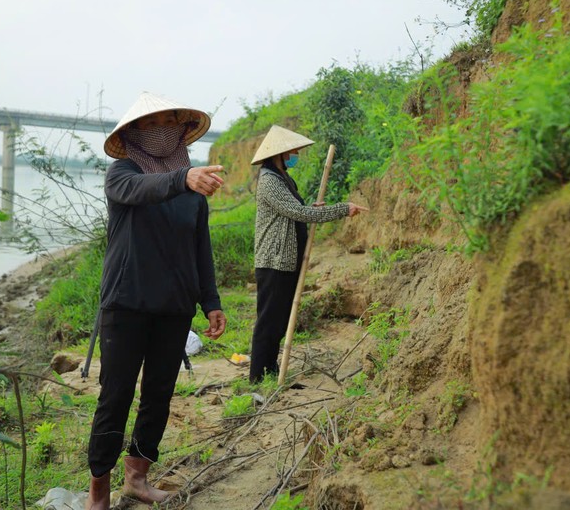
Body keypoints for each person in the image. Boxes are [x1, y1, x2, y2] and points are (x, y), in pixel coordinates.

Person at [85, 92, 228, 509]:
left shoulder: (193, 188)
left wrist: (211, 301)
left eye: (170, 121)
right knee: (115, 397)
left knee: (158, 395)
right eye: (152, 123)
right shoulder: (122, 173)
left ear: (183, 130)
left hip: (174, 308)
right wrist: (182, 179)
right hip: (126, 305)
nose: (163, 130)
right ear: (132, 133)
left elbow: (200, 249)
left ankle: (137, 478)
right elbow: (141, 189)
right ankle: (98, 495)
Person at [248, 125, 368, 384]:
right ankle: (258, 377)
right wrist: (340, 209)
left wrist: (311, 208)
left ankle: (271, 371)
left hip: (288, 260)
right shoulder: (269, 180)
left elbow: (294, 210)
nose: (296, 154)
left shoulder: (284, 179)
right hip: (274, 260)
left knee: (280, 321)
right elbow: (298, 214)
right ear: (280, 153)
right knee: (269, 321)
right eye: (293, 151)